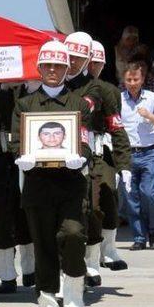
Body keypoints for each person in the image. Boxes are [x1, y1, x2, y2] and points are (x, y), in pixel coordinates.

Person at [11, 40, 92, 307]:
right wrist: (24, 158)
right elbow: (16, 144)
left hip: (70, 185)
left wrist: (79, 155)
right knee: (44, 246)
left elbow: (85, 140)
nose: (53, 71)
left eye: (59, 66)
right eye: (47, 66)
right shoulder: (24, 106)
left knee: (73, 235)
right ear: (39, 69)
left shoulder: (79, 103)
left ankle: (73, 294)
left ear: (68, 68)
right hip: (38, 187)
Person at [64, 31, 105, 287]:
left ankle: (88, 263)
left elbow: (83, 111)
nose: (74, 62)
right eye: (71, 56)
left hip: (81, 155)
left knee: (88, 212)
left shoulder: (93, 86)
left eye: (80, 58)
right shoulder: (54, 78)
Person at [87, 40, 132, 272]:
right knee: (89, 205)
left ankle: (109, 249)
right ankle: (91, 257)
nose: (93, 66)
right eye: (90, 62)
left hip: (100, 151)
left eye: (97, 63)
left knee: (108, 195)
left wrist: (124, 164)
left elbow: (116, 127)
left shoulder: (110, 91)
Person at [0, 81, 35, 294]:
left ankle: (30, 269)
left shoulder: (30, 87)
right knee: (1, 215)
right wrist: (3, 89)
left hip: (27, 153)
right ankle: (6, 274)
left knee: (27, 211)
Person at [120, 61, 154, 250]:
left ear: (142, 80)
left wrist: (149, 115)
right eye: (129, 79)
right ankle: (139, 237)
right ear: (124, 80)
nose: (132, 83)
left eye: (136, 79)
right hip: (126, 153)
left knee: (149, 193)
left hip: (148, 152)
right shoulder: (119, 100)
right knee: (131, 197)